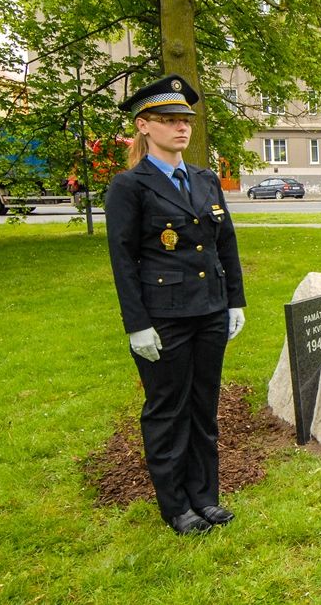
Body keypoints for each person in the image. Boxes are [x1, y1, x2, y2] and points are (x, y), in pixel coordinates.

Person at [105, 74, 247, 535]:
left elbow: (225, 244)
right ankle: (176, 505)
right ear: (144, 126)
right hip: (164, 316)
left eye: (184, 119)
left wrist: (233, 302)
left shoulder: (205, 179)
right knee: (168, 409)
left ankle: (206, 497)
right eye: (168, 120)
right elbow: (123, 261)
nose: (181, 128)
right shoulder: (131, 186)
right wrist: (137, 324)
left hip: (208, 309)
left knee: (204, 407)